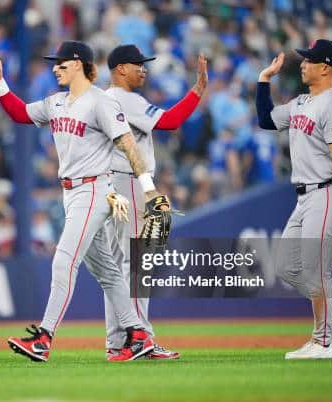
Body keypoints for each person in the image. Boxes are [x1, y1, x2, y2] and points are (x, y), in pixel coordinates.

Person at [0, 40, 170, 362]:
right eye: (54, 63)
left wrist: (148, 188)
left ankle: (43, 337)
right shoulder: (56, 102)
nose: (55, 67)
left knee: (64, 261)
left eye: (61, 62)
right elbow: (20, 113)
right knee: (108, 273)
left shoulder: (100, 102)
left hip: (96, 190)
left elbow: (127, 142)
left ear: (79, 63)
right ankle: (137, 334)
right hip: (71, 193)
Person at [256, 39, 332, 359]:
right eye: (303, 59)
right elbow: (266, 119)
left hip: (327, 193)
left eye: (309, 60)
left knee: (316, 272)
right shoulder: (302, 102)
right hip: (303, 196)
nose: (302, 64)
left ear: (326, 67)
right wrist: (264, 80)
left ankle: (322, 342)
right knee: (286, 267)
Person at [104, 44, 207, 360]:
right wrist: (199, 88)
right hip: (128, 180)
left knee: (118, 266)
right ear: (121, 68)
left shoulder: (105, 99)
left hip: (110, 183)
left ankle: (118, 341)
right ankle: (140, 339)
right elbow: (170, 121)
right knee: (136, 263)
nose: (144, 69)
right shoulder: (125, 99)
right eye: (138, 64)